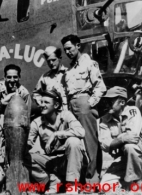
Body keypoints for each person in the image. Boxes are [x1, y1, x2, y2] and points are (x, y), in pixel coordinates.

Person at [61, 34, 106, 178]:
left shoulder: (89, 64)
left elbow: (100, 87)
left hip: (84, 103)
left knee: (89, 141)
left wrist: (89, 103)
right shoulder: (70, 69)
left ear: (78, 46)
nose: (67, 52)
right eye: (65, 50)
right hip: (72, 105)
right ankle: (81, 178)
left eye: (69, 48)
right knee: (76, 141)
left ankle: (93, 179)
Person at [25, 87, 86, 194]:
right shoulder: (37, 122)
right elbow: (28, 144)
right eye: (41, 102)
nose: (42, 105)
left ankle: (72, 186)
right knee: (24, 155)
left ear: (56, 105)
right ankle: (51, 180)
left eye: (46, 102)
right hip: (52, 161)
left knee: (73, 141)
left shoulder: (66, 115)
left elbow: (81, 132)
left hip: (70, 159)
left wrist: (57, 134)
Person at [99, 86, 142, 193]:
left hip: (139, 157)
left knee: (130, 147)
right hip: (123, 160)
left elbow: (133, 137)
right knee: (104, 187)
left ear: (122, 102)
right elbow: (104, 145)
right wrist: (122, 138)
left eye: (111, 101)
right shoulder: (104, 119)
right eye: (106, 100)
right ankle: (129, 182)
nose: (107, 103)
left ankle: (137, 183)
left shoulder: (133, 111)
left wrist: (116, 141)